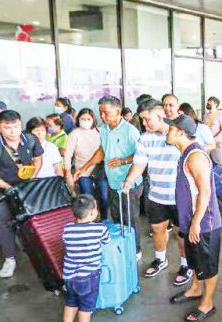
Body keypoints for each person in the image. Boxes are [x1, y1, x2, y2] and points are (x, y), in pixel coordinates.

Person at [121, 98, 192, 285]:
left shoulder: (178, 135)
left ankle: (186, 265)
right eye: (142, 120)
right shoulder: (145, 138)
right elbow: (139, 163)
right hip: (156, 195)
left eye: (147, 119)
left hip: (179, 196)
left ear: (160, 116)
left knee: (181, 233)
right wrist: (129, 179)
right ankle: (161, 259)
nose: (144, 124)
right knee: (157, 229)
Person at [165, 114, 222, 322]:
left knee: (208, 265)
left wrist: (196, 222)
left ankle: (207, 302)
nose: (167, 132)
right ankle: (196, 288)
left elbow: (205, 192)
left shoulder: (195, 156)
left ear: (181, 132)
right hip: (190, 221)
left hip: (204, 223)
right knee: (194, 260)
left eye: (171, 129)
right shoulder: (184, 153)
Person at [73, 96, 144, 259]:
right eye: (101, 113)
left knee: (130, 218)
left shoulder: (130, 131)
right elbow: (102, 151)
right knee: (117, 217)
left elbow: (142, 156)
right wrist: (84, 168)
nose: (103, 117)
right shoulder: (103, 128)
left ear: (118, 111)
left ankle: (135, 249)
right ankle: (123, 245)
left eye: (106, 113)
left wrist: (123, 161)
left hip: (129, 184)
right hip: (113, 182)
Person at [0, 110, 44, 278]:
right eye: (8, 128)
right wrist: (8, 188)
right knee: (5, 224)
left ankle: (35, 252)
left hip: (24, 187)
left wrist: (31, 178)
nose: (13, 131)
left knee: (29, 220)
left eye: (16, 126)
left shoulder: (29, 139)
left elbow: (38, 158)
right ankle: (10, 259)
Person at [59, 195, 110, 322]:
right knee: (86, 306)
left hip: (69, 275)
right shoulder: (99, 229)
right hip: (89, 276)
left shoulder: (67, 229)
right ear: (93, 213)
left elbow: (66, 241)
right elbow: (107, 241)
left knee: (70, 301)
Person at [64, 108, 109, 219]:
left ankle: (104, 219)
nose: (85, 121)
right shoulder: (74, 134)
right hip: (82, 172)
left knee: (104, 197)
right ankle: (90, 221)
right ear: (78, 119)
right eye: (83, 119)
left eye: (88, 119)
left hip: (100, 171)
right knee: (88, 198)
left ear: (93, 119)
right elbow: (68, 154)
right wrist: (68, 173)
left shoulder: (100, 131)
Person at [203, 96, 222, 165]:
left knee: (216, 162)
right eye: (208, 102)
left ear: (215, 104)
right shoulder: (206, 115)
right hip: (207, 142)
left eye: (210, 102)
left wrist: (214, 140)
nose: (208, 104)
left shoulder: (220, 114)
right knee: (207, 162)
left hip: (216, 143)